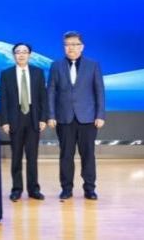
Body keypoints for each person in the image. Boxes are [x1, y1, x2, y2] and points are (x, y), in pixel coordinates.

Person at [47, 31, 106, 200]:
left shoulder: (93, 65)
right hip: (64, 118)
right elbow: (51, 91)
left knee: (88, 155)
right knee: (66, 155)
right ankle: (66, 188)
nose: (70, 48)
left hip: (88, 118)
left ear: (82, 46)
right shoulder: (56, 66)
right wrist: (51, 115)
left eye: (74, 44)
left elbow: (99, 91)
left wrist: (100, 115)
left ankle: (89, 188)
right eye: (67, 45)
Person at [0, 43, 48, 202]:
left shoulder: (38, 73)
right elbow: (4, 99)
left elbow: (43, 97)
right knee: (16, 157)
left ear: (29, 55)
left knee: (32, 157)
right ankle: (17, 189)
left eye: (24, 52)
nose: (21, 55)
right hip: (15, 118)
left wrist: (43, 118)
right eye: (18, 52)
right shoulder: (6, 74)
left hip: (33, 117)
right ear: (14, 55)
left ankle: (34, 190)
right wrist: (5, 121)